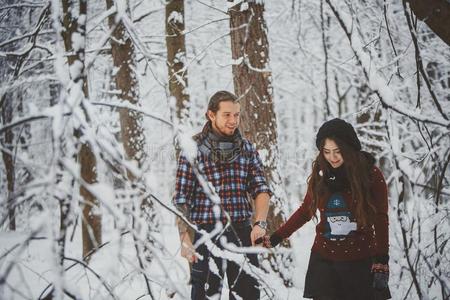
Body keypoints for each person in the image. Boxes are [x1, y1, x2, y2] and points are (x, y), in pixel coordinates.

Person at [257, 118, 391, 300]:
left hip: (360, 260)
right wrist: (277, 237)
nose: (332, 157)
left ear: (349, 149)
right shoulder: (321, 174)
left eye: (338, 151)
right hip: (325, 262)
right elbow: (306, 211)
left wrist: (382, 259)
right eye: (326, 152)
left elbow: (380, 217)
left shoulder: (370, 176)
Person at [173, 90, 272, 300]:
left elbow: (261, 188)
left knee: (248, 295)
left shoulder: (246, 149)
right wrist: (184, 239)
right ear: (211, 115)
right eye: (227, 115)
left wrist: (260, 224)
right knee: (205, 296)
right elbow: (182, 198)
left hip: (241, 231)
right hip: (205, 234)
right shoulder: (193, 149)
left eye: (236, 115)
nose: (233, 120)